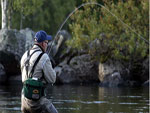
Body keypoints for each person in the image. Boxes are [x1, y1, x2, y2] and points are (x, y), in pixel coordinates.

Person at [20, 30, 58, 113]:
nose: (47, 45)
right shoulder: (44, 57)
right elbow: (52, 79)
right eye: (46, 42)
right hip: (37, 102)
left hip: (24, 100)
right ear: (43, 43)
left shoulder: (25, 55)